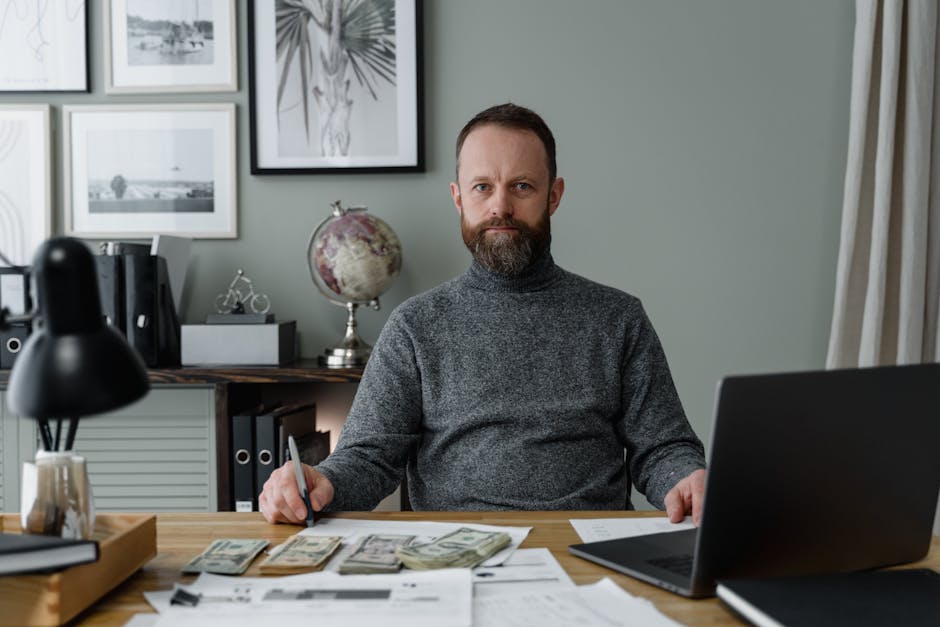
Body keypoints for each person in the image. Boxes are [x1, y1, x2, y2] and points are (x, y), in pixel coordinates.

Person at [260, 103, 707, 525]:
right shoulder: (415, 326)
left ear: (554, 196)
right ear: (458, 198)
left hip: (584, 546)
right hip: (454, 554)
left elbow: (664, 447)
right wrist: (324, 480)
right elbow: (370, 456)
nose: (500, 207)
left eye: (522, 186)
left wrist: (686, 478)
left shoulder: (618, 318)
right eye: (482, 187)